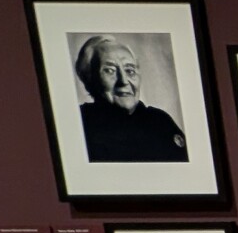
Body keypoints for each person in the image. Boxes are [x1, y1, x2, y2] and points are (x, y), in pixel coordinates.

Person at [72, 34, 188, 162]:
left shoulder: (160, 122)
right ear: (89, 79)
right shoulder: (79, 123)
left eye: (130, 71)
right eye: (110, 70)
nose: (124, 81)